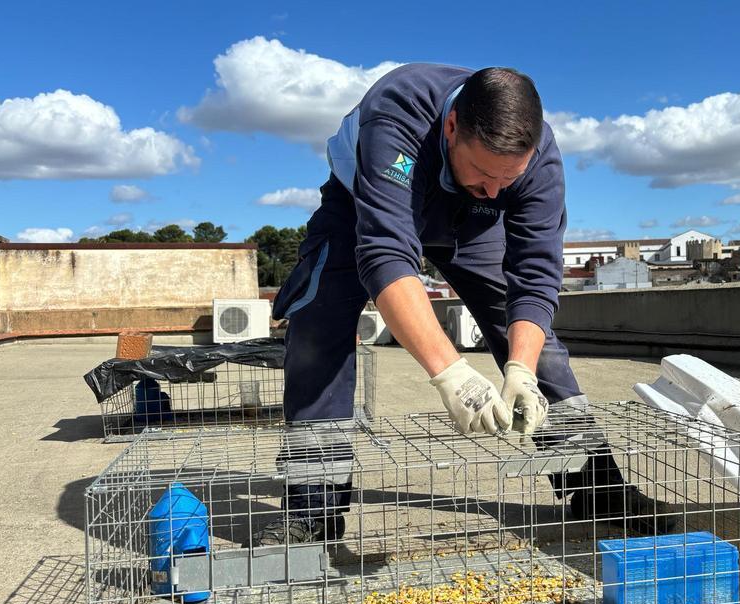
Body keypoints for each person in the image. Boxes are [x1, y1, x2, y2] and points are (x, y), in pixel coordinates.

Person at [255, 64, 674, 546]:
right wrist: (451, 373)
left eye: (508, 179)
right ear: (451, 126)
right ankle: (313, 509)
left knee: (537, 348)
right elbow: (387, 254)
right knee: (317, 333)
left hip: (472, 222)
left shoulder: (536, 160)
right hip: (360, 207)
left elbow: (535, 276)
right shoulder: (398, 110)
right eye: (484, 171)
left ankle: (597, 487)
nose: (497, 189)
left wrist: (521, 367)